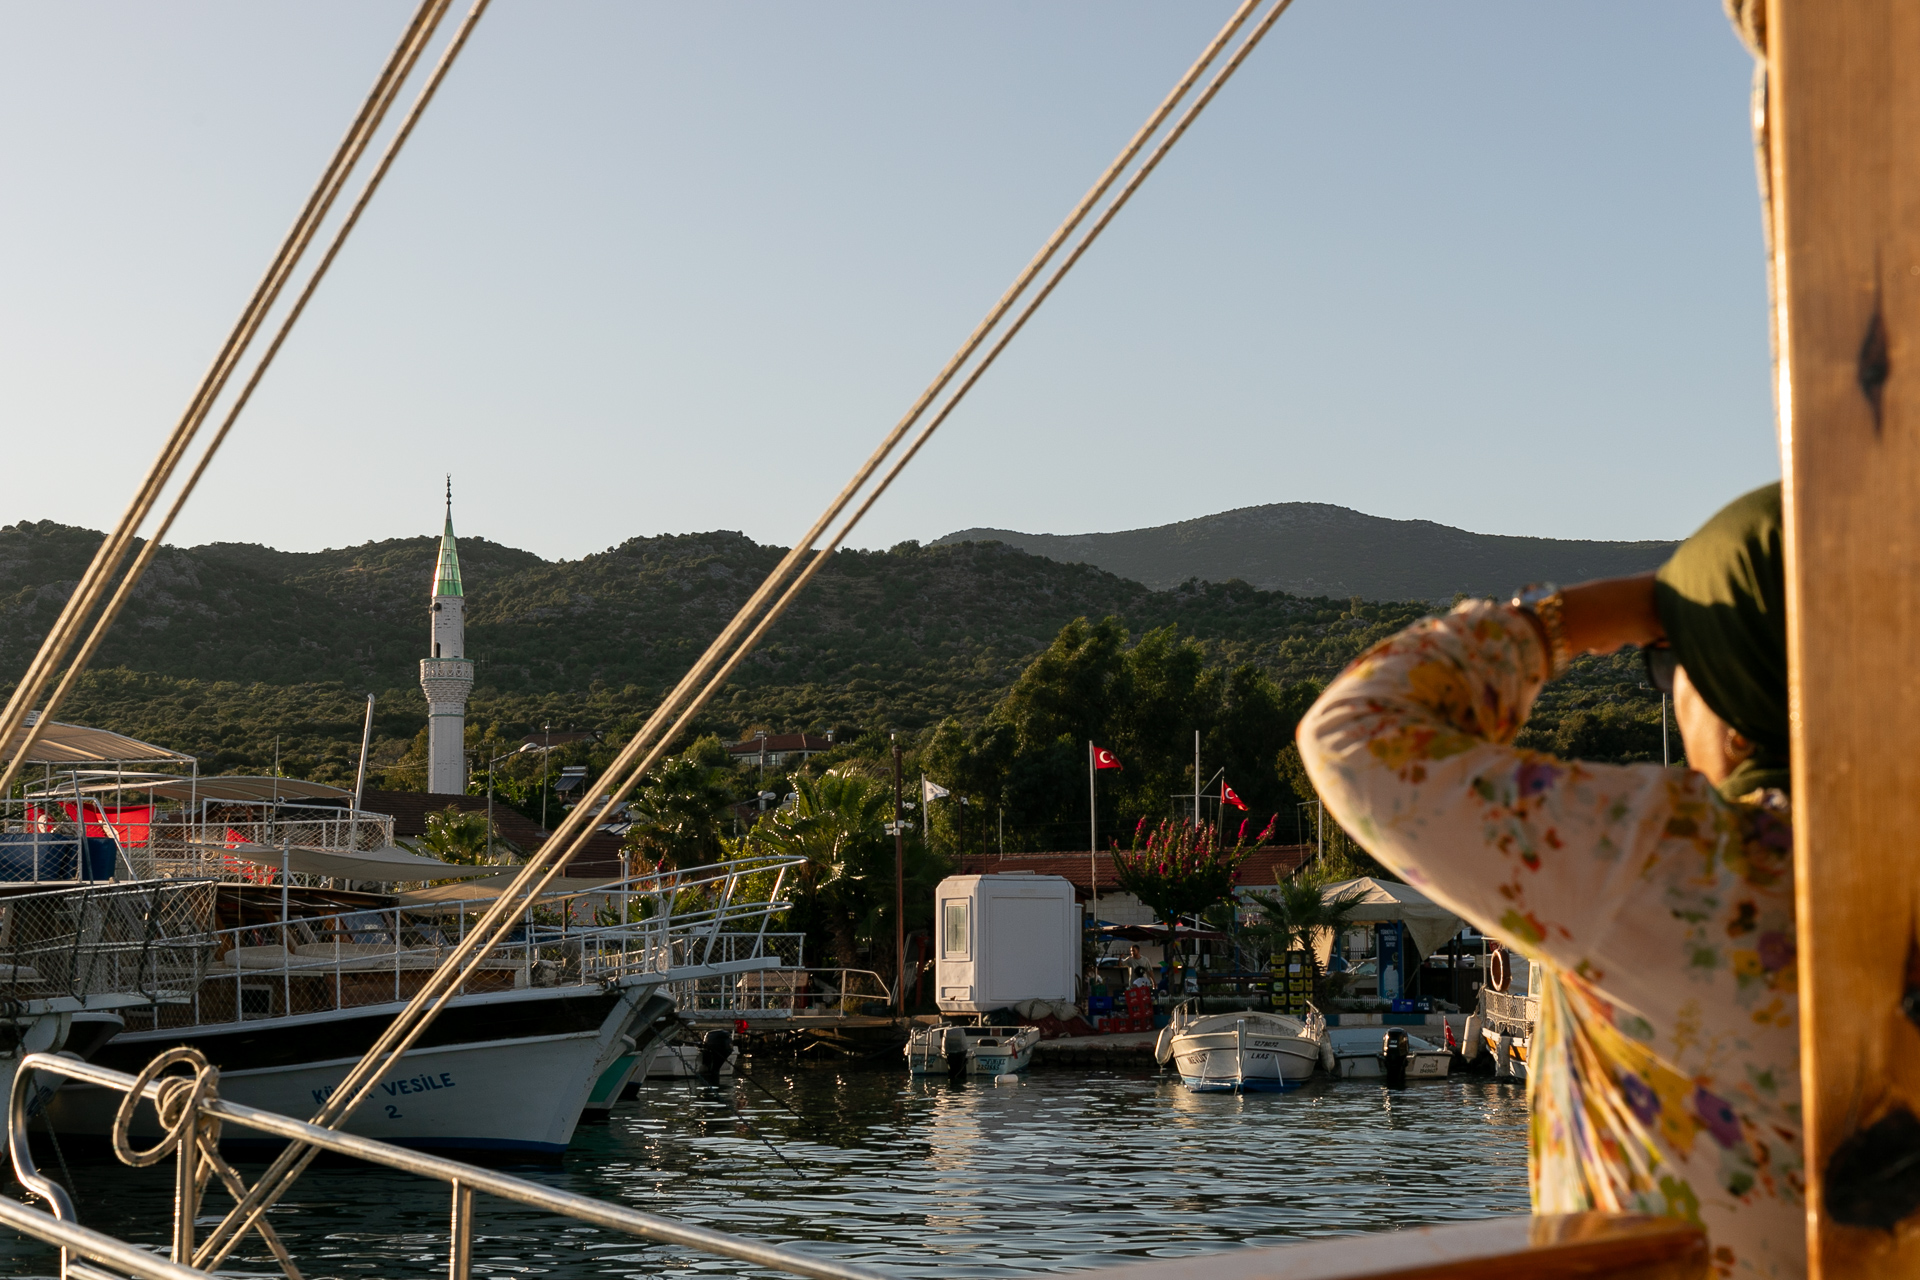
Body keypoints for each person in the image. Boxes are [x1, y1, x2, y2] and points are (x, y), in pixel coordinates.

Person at [1297, 484, 1798, 1278]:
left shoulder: (1679, 859)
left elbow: (1352, 735)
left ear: (1739, 689)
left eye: (1669, 665)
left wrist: (1571, 619)